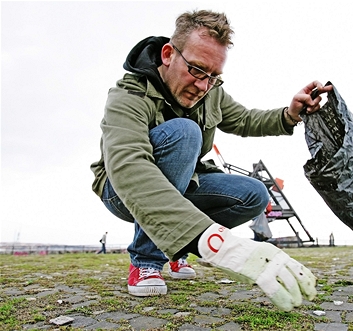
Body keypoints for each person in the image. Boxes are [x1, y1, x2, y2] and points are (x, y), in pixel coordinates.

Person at [90, 9, 332, 311]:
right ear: (168, 54)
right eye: (196, 70)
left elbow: (244, 119)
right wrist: (215, 241)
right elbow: (130, 167)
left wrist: (289, 114)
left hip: (184, 182)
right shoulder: (127, 95)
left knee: (254, 194)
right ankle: (146, 261)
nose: (203, 86)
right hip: (120, 190)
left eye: (213, 77)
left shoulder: (210, 92)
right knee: (185, 133)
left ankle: (177, 251)